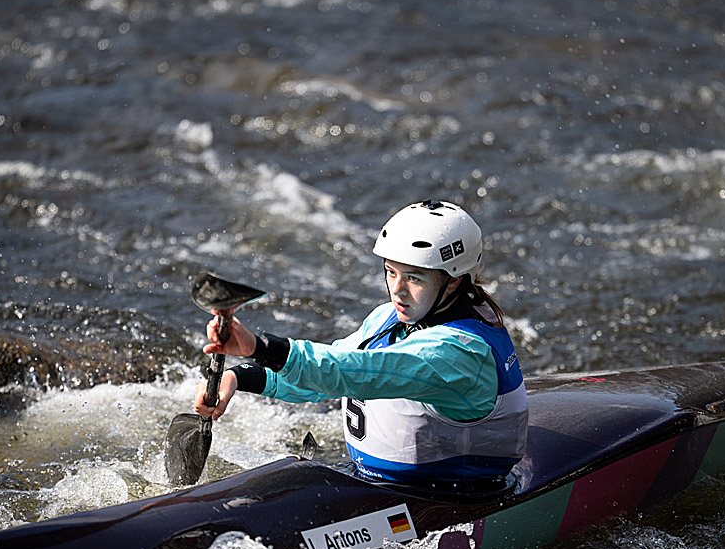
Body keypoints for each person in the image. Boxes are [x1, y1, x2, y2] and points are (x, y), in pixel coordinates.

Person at [193, 199, 527, 484]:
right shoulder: (389, 318)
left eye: (414, 278)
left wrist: (261, 347)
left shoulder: (460, 355)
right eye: (391, 272)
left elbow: (356, 374)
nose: (397, 288)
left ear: (453, 283)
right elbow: (325, 374)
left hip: (443, 499)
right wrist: (239, 376)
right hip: (374, 483)